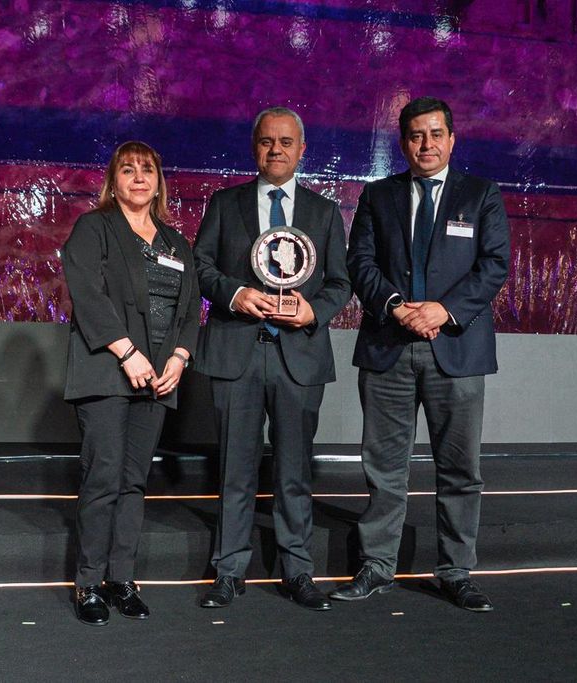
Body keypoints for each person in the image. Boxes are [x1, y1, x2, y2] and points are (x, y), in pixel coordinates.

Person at [333, 97, 510, 611]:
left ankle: (456, 571)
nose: (426, 144)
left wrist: (443, 310)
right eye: (416, 135)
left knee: (460, 470)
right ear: (403, 142)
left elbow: (494, 266)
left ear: (452, 139)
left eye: (435, 134)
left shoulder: (481, 195)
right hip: (388, 348)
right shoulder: (378, 195)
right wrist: (395, 306)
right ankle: (376, 565)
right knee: (384, 468)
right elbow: (359, 262)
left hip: (456, 350)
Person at [193, 107, 351, 610]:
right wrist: (235, 294)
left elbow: (341, 283)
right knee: (234, 469)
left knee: (294, 470)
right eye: (266, 141)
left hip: (298, 357)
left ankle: (298, 570)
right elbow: (201, 266)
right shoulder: (225, 203)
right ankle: (229, 570)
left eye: (285, 142)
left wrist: (313, 311)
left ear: (302, 150)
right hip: (236, 352)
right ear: (254, 147)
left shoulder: (324, 212)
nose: (276, 150)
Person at [61, 141, 200, 626]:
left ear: (159, 182)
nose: (139, 178)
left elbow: (190, 309)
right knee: (103, 478)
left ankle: (122, 579)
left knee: (134, 481)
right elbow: (87, 294)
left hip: (159, 377)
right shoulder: (93, 228)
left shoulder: (176, 242)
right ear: (113, 181)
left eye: (147, 170)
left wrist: (180, 357)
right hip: (108, 372)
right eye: (128, 170)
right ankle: (88, 583)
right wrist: (127, 352)